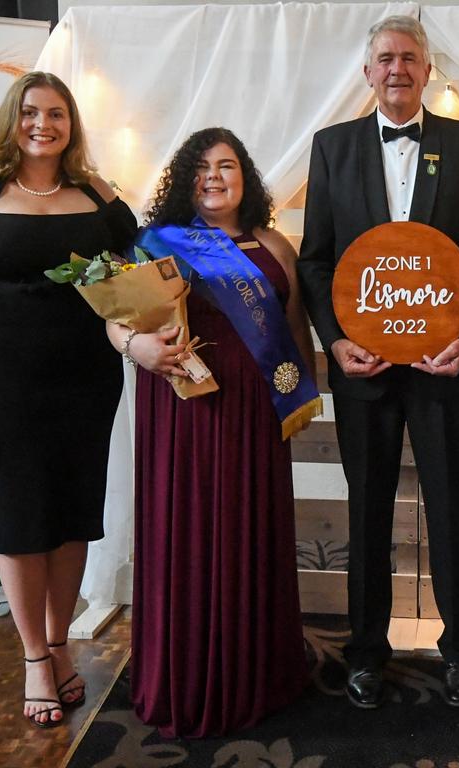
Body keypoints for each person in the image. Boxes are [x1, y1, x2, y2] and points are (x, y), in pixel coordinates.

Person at [0, 71, 137, 728]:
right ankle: (35, 658)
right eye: (33, 112)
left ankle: (61, 644)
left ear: (72, 125)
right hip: (5, 385)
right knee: (20, 520)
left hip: (89, 381)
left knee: (71, 517)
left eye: (58, 114)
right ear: (14, 120)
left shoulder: (97, 193)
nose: (45, 124)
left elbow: (134, 277)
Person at [296, 15, 459, 709]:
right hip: (364, 373)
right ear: (367, 71)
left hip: (442, 369)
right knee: (368, 514)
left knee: (451, 509)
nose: (397, 69)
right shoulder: (331, 148)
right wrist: (334, 340)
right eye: (385, 58)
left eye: (409, 58)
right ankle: (364, 653)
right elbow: (317, 258)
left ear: (427, 69)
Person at [109, 127, 317, 738]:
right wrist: (135, 346)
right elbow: (117, 320)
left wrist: (298, 405)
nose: (214, 177)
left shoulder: (276, 245)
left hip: (255, 412)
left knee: (248, 528)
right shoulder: (155, 243)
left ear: (245, 177)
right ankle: (188, 676)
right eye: (201, 168)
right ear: (183, 179)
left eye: (227, 166)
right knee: (189, 529)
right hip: (183, 407)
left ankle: (258, 674)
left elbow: (294, 331)